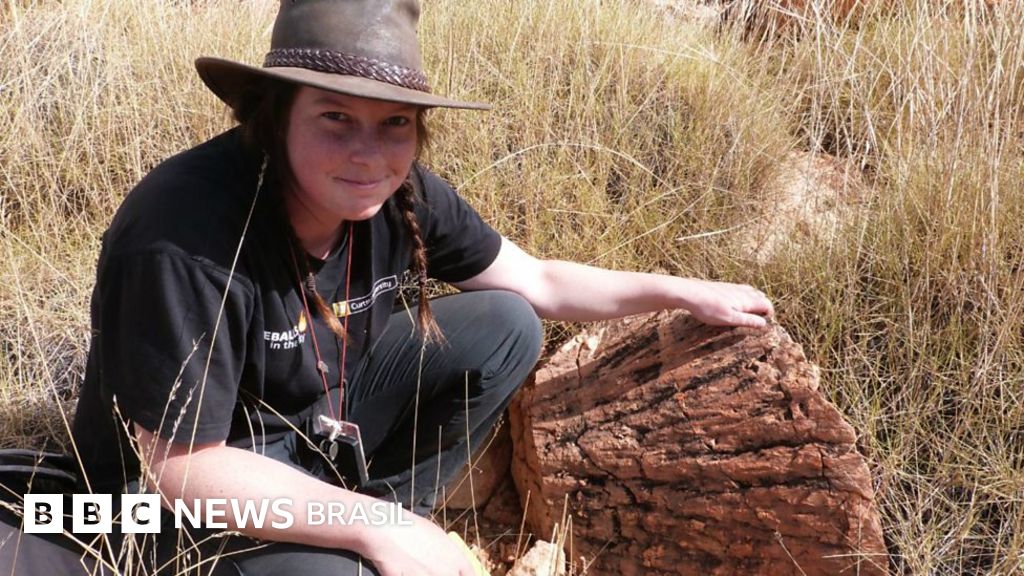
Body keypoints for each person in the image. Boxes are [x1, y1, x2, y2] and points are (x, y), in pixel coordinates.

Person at [36, 0, 773, 575]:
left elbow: (538, 281)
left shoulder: (401, 193)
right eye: (335, 118)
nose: (368, 153)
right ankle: (371, 536)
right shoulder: (183, 236)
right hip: (160, 501)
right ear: (274, 114)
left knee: (507, 324)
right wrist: (372, 530)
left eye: (395, 123)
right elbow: (179, 467)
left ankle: (389, 519)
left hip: (311, 433)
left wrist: (682, 291)